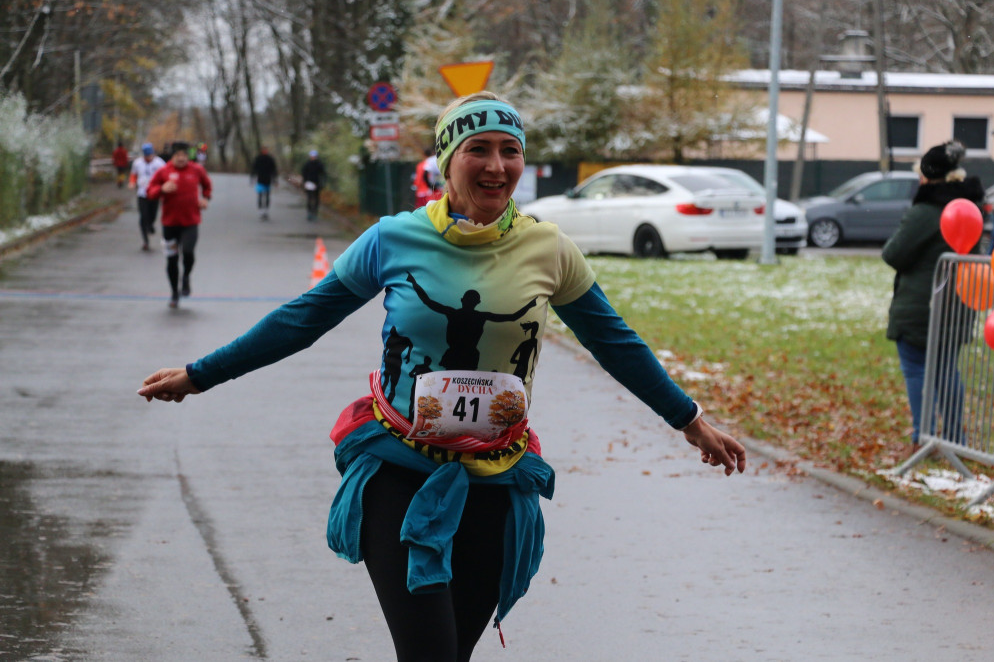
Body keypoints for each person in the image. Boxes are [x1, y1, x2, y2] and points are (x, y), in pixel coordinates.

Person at [137, 92, 744, 661]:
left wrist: (687, 419)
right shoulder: (392, 239)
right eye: (478, 149)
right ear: (447, 160)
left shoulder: (550, 250)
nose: (496, 166)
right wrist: (200, 374)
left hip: (498, 480)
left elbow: (613, 341)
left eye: (510, 151)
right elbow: (302, 320)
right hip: (400, 471)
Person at [882, 140, 985, 447]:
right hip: (958, 304)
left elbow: (893, 254)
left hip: (921, 307)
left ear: (925, 176)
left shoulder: (926, 211)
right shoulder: (969, 208)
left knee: (916, 369)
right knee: (946, 370)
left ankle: (922, 438)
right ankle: (955, 439)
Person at [146, 141, 213, 308]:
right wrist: (162, 189)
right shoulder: (164, 171)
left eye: (184, 155)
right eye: (178, 156)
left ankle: (186, 277)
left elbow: (207, 186)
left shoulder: (197, 170)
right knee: (172, 260)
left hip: (191, 221)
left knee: (188, 252)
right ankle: (174, 293)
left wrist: (205, 198)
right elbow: (150, 191)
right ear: (173, 157)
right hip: (170, 223)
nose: (181, 159)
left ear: (188, 156)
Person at [128, 142, 166, 251]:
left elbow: (165, 176)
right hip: (142, 193)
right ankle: (145, 241)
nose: (148, 158)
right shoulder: (137, 163)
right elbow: (133, 175)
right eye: (146, 156)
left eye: (150, 155)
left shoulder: (159, 163)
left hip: (154, 193)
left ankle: (151, 224)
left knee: (152, 214)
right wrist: (132, 182)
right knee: (143, 216)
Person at [250, 146, 279, 221]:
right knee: (260, 195)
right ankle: (261, 211)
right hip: (260, 180)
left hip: (268, 180)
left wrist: (275, 180)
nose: (265, 151)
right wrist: (252, 178)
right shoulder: (258, 159)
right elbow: (254, 168)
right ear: (261, 151)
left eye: (266, 150)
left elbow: (274, 170)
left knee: (267, 196)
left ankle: (266, 211)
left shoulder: (270, 159)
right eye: (263, 150)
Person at [301, 150, 327, 221]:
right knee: (309, 198)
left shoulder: (319, 164)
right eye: (312, 156)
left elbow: (323, 173)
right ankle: (309, 213)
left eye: (314, 156)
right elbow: (304, 173)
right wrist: (305, 182)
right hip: (309, 183)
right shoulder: (307, 164)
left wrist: (322, 183)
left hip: (317, 184)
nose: (313, 157)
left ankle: (315, 213)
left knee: (316, 199)